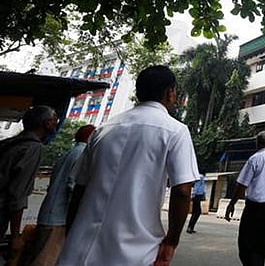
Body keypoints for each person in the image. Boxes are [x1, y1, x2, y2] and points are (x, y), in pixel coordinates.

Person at [58, 65, 199, 266]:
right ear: (170, 93)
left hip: (79, 248)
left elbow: (79, 187)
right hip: (134, 252)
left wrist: (72, 232)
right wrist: (171, 241)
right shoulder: (175, 131)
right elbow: (183, 191)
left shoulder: (103, 129)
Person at [20, 124, 96, 266]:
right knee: (45, 260)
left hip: (49, 214)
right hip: (58, 219)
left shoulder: (70, 153)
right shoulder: (82, 154)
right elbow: (72, 187)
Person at [0, 105, 58, 264]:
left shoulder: (11, 143)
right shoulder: (33, 148)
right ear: (47, 123)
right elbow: (17, 194)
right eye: (55, 120)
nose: (56, 123)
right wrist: (15, 236)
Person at [225, 131, 265, 266]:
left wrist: (232, 204)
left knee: (246, 244)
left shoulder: (255, 159)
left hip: (254, 209)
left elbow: (242, 185)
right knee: (262, 246)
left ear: (257, 143)